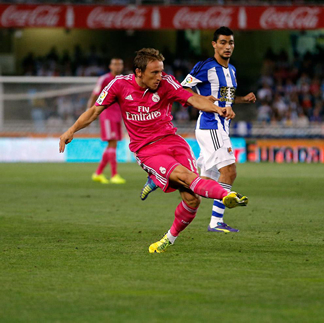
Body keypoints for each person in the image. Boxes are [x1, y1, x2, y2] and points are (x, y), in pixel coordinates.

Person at [59, 48, 248, 253]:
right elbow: (95, 111)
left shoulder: (167, 82)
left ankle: (168, 238)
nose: (160, 77)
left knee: (193, 199)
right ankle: (227, 195)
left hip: (174, 143)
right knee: (185, 176)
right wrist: (71, 130)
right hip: (147, 150)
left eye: (161, 71)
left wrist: (218, 108)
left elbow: (193, 98)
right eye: (154, 73)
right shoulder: (119, 85)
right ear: (139, 72)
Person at [142, 27, 256, 233]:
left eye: (230, 43)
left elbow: (225, 99)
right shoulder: (205, 67)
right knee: (229, 171)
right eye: (222, 42)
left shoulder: (232, 70)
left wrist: (242, 100)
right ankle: (216, 221)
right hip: (210, 124)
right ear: (214, 44)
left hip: (221, 126)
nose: (227, 46)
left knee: (204, 181)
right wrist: (203, 100)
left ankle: (160, 178)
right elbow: (182, 88)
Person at [86, 57, 126, 184]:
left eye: (120, 64)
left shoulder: (123, 80)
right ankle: (114, 175)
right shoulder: (104, 79)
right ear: (110, 66)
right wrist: (89, 113)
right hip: (107, 113)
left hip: (117, 114)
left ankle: (98, 173)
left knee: (112, 144)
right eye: (115, 64)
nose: (118, 66)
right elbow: (94, 95)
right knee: (113, 143)